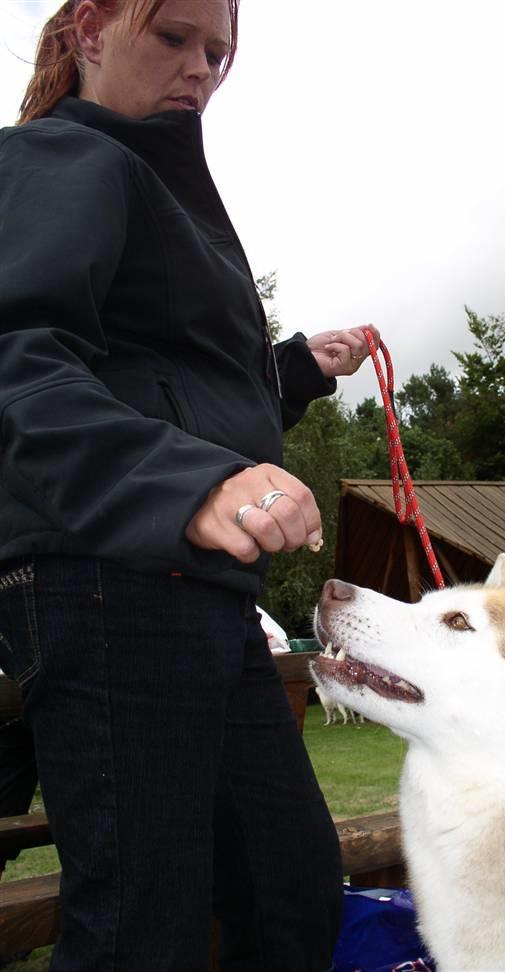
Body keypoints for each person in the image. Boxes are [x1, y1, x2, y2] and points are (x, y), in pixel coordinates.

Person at [0, 1, 380, 968]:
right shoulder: (55, 161)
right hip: (103, 576)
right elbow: (19, 360)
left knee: (290, 889)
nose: (201, 69)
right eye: (173, 37)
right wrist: (180, 487)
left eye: (220, 51)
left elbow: (177, 387)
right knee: (143, 926)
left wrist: (294, 368)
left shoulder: (162, 188)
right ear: (89, 30)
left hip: (203, 590)